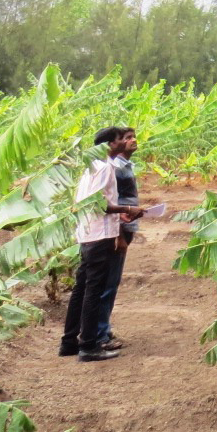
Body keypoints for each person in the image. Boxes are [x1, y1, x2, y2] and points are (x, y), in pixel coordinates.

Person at [59, 126, 146, 362]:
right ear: (109, 145)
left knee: (81, 290)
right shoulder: (106, 167)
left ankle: (69, 342)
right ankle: (89, 346)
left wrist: (121, 214)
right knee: (93, 291)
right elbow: (98, 204)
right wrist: (127, 209)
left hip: (87, 233)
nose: (124, 142)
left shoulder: (90, 168)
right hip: (99, 235)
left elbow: (89, 202)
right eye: (120, 139)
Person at [92, 126, 142, 350]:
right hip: (115, 231)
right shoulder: (111, 168)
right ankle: (100, 334)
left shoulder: (125, 166)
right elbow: (110, 204)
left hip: (125, 227)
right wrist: (120, 235)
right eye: (125, 138)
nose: (130, 141)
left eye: (132, 137)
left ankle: (103, 330)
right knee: (108, 283)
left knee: (111, 282)